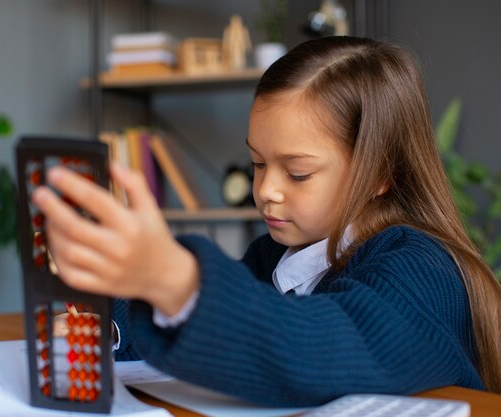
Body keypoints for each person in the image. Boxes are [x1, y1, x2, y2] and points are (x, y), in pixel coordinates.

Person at [32, 36, 501, 407]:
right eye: (257, 163)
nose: (266, 190)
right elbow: (197, 322)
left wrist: (175, 279)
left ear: (379, 173)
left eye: (297, 172)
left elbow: (315, 343)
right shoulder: (276, 256)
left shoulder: (423, 270)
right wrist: (101, 321)